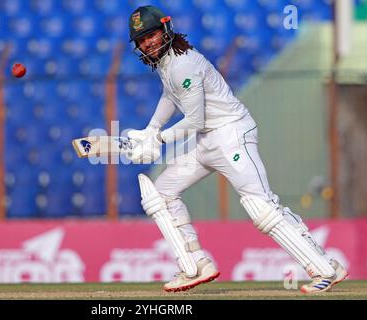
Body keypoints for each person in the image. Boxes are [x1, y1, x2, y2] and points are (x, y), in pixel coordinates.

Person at [126, 5, 348, 293]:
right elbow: (171, 96)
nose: (148, 43)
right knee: (162, 193)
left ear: (165, 29)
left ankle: (325, 268)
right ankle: (195, 264)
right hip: (206, 140)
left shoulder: (183, 65)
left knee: (261, 207)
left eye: (151, 35)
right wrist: (151, 130)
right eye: (142, 40)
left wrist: (157, 141)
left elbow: (194, 120)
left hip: (231, 134)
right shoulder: (168, 64)